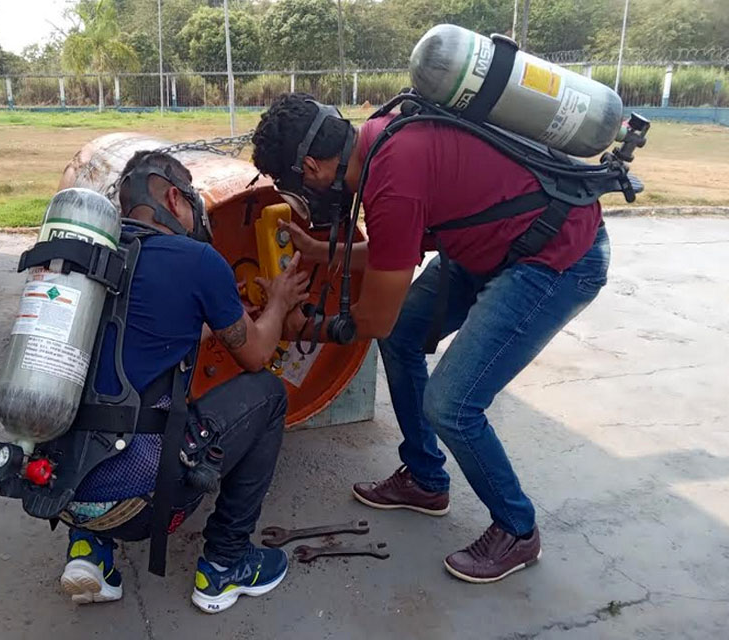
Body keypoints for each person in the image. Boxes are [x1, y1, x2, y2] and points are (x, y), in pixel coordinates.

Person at [252, 93, 611, 584]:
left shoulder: (391, 177)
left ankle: (517, 529)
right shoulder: (380, 136)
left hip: (556, 256)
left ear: (312, 166)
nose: (308, 190)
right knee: (403, 337)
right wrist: (320, 250)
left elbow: (374, 317)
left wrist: (300, 327)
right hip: (498, 241)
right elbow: (393, 252)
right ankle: (425, 479)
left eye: (299, 183)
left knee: (452, 405)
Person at [58, 150, 309, 612]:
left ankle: (89, 550)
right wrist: (277, 303)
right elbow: (254, 355)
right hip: (143, 502)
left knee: (96, 382)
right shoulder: (197, 260)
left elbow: (152, 331)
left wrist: (218, 314)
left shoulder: (88, 259)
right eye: (192, 199)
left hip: (60, 490)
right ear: (174, 198)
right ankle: (224, 564)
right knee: (269, 395)